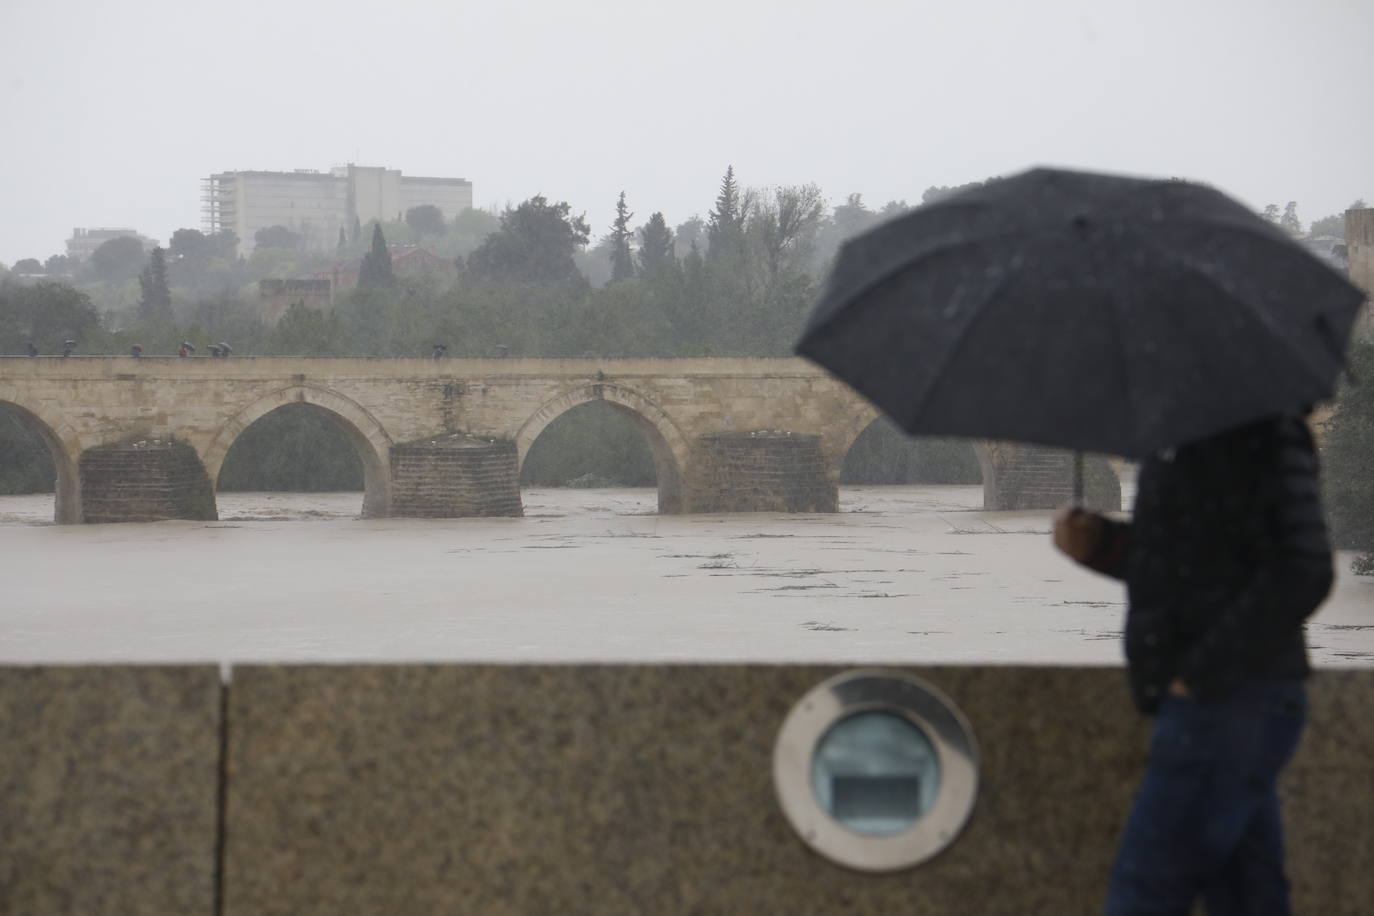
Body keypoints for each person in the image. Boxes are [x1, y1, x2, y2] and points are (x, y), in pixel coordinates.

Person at [1053, 413, 1333, 916]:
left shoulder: (1261, 429)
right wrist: (1101, 544)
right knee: (1248, 897)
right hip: (1221, 703)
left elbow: (1304, 568)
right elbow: (1185, 567)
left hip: (1226, 703)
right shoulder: (1184, 433)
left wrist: (1199, 677)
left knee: (1144, 892)